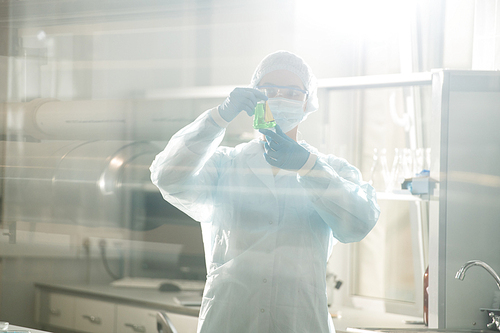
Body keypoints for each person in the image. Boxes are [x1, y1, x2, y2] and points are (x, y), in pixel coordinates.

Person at [150, 50, 380, 333]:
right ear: (254, 98)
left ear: (308, 102)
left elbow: (358, 224)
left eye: (293, 92)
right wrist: (219, 118)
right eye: (269, 90)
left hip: (299, 321)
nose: (280, 98)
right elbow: (167, 177)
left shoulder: (332, 170)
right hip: (230, 318)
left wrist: (309, 166)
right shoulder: (225, 164)